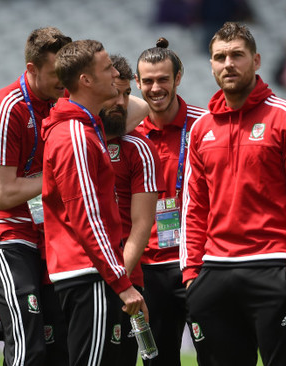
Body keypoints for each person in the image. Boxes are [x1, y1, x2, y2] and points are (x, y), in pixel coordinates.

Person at [180, 22, 286, 366]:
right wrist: (192, 273)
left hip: (275, 267)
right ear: (210, 64)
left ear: (257, 60)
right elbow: (194, 206)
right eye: (219, 57)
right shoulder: (201, 128)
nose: (228, 64)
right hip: (215, 272)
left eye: (237, 55)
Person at [0, 27, 72, 366]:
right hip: (9, 233)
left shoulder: (62, 102)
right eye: (55, 74)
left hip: (49, 236)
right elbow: (4, 193)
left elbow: (134, 111)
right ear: (31, 69)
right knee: (28, 348)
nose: (63, 82)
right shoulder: (8, 107)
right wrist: (56, 174)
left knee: (58, 350)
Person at [41, 39, 148, 366]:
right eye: (107, 69)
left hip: (83, 271)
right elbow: (87, 218)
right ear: (85, 80)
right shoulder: (76, 134)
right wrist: (122, 282)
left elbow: (140, 107)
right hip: (89, 274)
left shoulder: (83, 128)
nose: (115, 72)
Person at [134, 37, 208, 366]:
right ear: (137, 83)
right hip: (148, 268)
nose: (155, 88)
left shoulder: (205, 125)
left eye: (163, 79)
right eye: (147, 81)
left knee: (217, 354)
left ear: (178, 78)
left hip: (197, 263)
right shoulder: (128, 133)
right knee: (157, 360)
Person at [101, 54, 165, 365]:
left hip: (124, 272)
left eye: (126, 92)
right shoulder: (68, 135)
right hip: (74, 271)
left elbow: (142, 224)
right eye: (115, 92)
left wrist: (118, 278)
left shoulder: (138, 147)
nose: (123, 101)